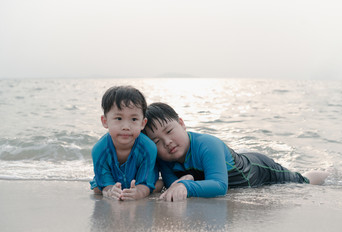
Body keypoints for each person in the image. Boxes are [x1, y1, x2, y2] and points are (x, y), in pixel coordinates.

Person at [144, 102, 329, 202]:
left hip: (258, 169)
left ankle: (328, 173)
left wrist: (187, 184)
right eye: (157, 141)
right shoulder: (164, 159)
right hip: (232, 168)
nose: (167, 143)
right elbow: (173, 185)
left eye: (169, 131)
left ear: (181, 123)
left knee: (303, 181)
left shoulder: (207, 144)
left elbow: (219, 187)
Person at [90, 85, 159, 201]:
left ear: (143, 123)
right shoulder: (99, 150)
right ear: (105, 121)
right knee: (97, 189)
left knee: (158, 185)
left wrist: (139, 192)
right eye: (118, 118)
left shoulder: (148, 148)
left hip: (139, 180)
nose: (126, 127)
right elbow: (105, 184)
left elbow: (146, 182)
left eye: (134, 119)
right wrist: (110, 191)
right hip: (112, 179)